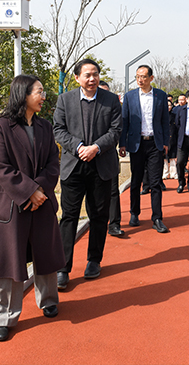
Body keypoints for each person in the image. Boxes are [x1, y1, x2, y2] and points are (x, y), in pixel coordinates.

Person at [0, 75, 65, 342]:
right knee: (9, 261)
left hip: (41, 202)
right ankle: (2, 317)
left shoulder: (45, 127)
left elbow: (53, 162)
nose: (44, 97)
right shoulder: (2, 127)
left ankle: (48, 300)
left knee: (46, 253)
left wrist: (41, 190)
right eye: (39, 92)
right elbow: (1, 168)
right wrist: (29, 191)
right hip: (12, 204)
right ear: (23, 94)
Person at [53, 59, 122, 290]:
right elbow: (58, 130)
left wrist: (96, 148)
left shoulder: (111, 100)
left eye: (95, 74)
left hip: (101, 165)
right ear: (77, 78)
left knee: (99, 216)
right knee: (69, 217)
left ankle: (94, 260)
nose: (92, 79)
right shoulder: (65, 100)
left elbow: (116, 130)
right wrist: (79, 146)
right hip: (74, 166)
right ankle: (63, 268)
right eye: (87, 75)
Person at [119, 65, 170, 233]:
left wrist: (165, 142)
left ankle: (157, 218)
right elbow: (124, 121)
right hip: (136, 144)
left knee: (155, 182)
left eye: (143, 76)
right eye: (137, 77)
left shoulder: (160, 96)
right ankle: (134, 213)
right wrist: (122, 143)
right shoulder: (130, 96)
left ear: (151, 78)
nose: (140, 80)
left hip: (155, 144)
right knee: (136, 181)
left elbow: (165, 120)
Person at [97, 81, 124, 238]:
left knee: (113, 191)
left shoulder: (114, 108)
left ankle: (114, 224)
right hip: (88, 156)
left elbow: (118, 129)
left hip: (108, 154)